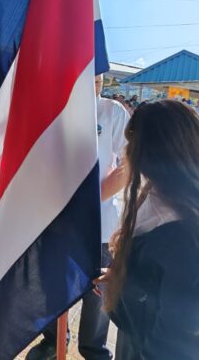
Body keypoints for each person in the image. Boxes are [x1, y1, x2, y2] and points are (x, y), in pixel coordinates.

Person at [101, 100, 199, 359]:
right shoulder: (164, 195)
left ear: (154, 151)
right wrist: (121, 278)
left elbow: (177, 346)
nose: (127, 149)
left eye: (133, 141)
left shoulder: (184, 240)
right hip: (138, 340)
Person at [28, 74, 131, 360]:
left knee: (97, 294)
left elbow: (130, 163)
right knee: (53, 284)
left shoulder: (112, 111)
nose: (92, 82)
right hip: (57, 223)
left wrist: (86, 203)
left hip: (99, 226)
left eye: (98, 77)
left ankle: (94, 349)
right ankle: (52, 340)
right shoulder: (53, 111)